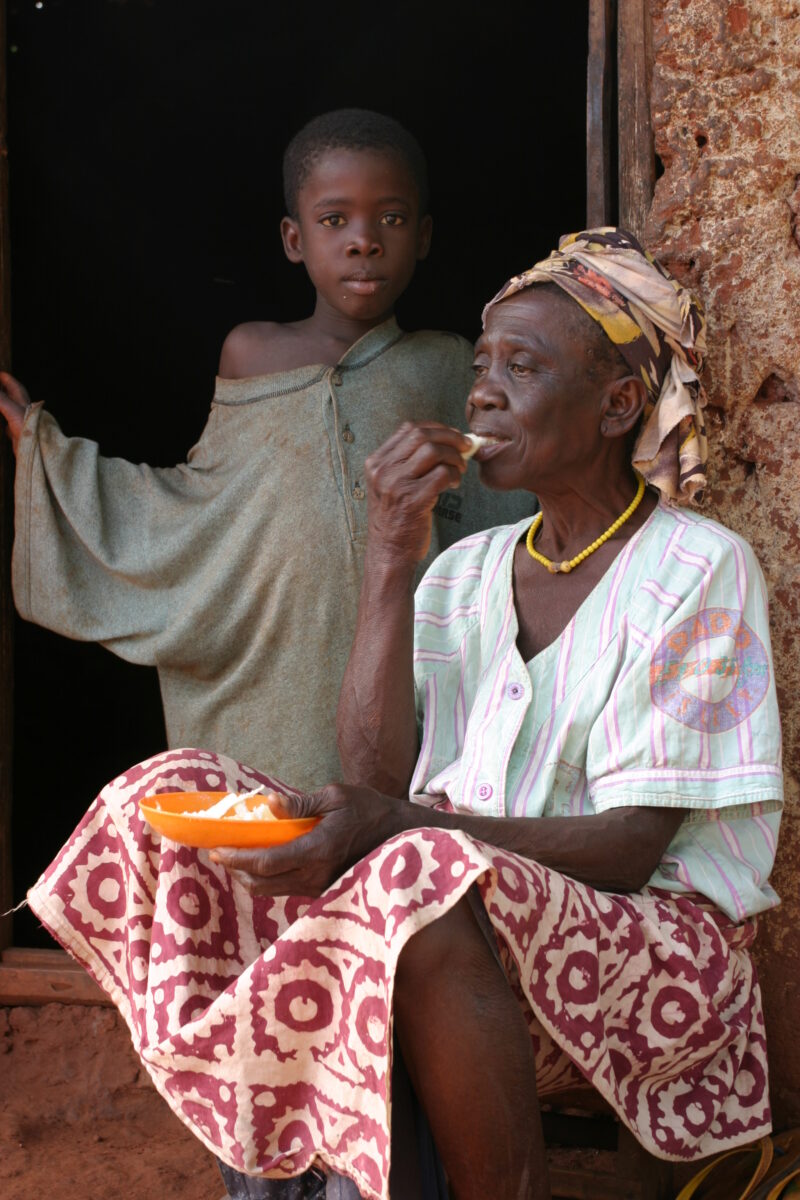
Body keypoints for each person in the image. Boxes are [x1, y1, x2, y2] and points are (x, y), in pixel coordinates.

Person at [27, 230, 782, 1200]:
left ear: (617, 404)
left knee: (410, 880)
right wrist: (391, 550)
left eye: (522, 367)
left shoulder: (693, 568)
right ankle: (289, 1173)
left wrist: (404, 831)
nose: (481, 394)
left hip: (651, 946)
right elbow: (377, 775)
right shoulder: (464, 571)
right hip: (459, 914)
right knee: (167, 798)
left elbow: (630, 847)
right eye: (479, 367)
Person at [0, 107, 530, 791]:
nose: (364, 241)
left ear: (423, 235)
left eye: (391, 219)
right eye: (335, 220)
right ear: (293, 238)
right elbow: (201, 513)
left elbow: (509, 514)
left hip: (409, 667)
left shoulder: (450, 364)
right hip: (277, 665)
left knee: (395, 836)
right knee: (271, 835)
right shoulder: (252, 352)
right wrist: (50, 459)